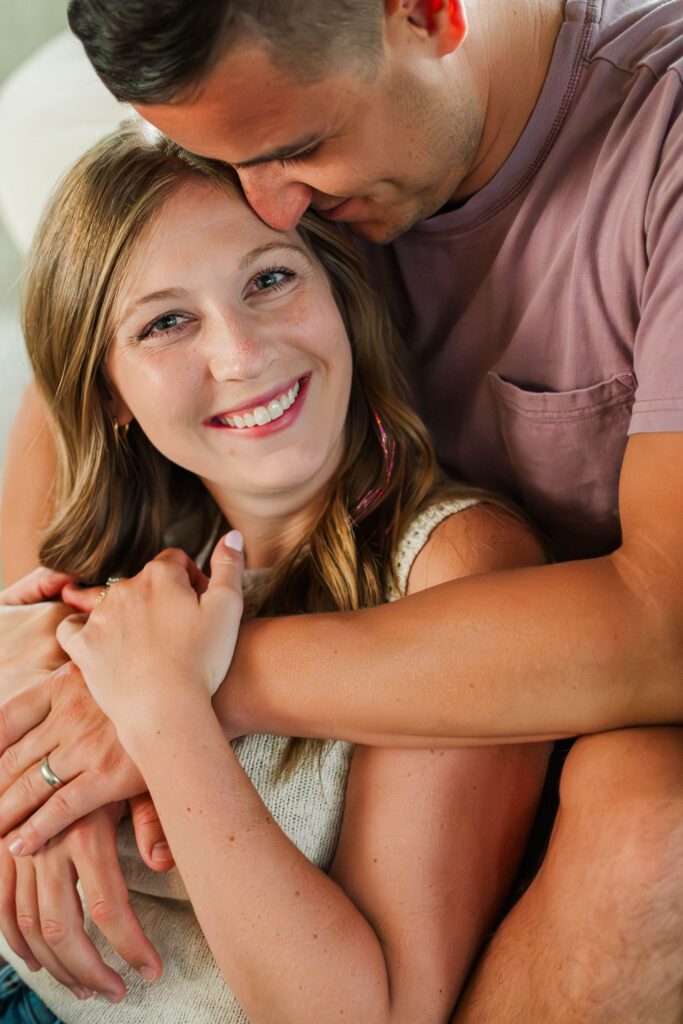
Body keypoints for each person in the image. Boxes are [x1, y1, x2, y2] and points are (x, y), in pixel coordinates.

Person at [0, 0, 681, 1019]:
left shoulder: (655, 137)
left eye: (297, 153)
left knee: (651, 809)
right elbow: (86, 349)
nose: (271, 207)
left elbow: (666, 625)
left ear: (425, 12)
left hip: (533, 701)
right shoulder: (253, 129)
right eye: (231, 167)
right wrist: (34, 689)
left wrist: (168, 696)